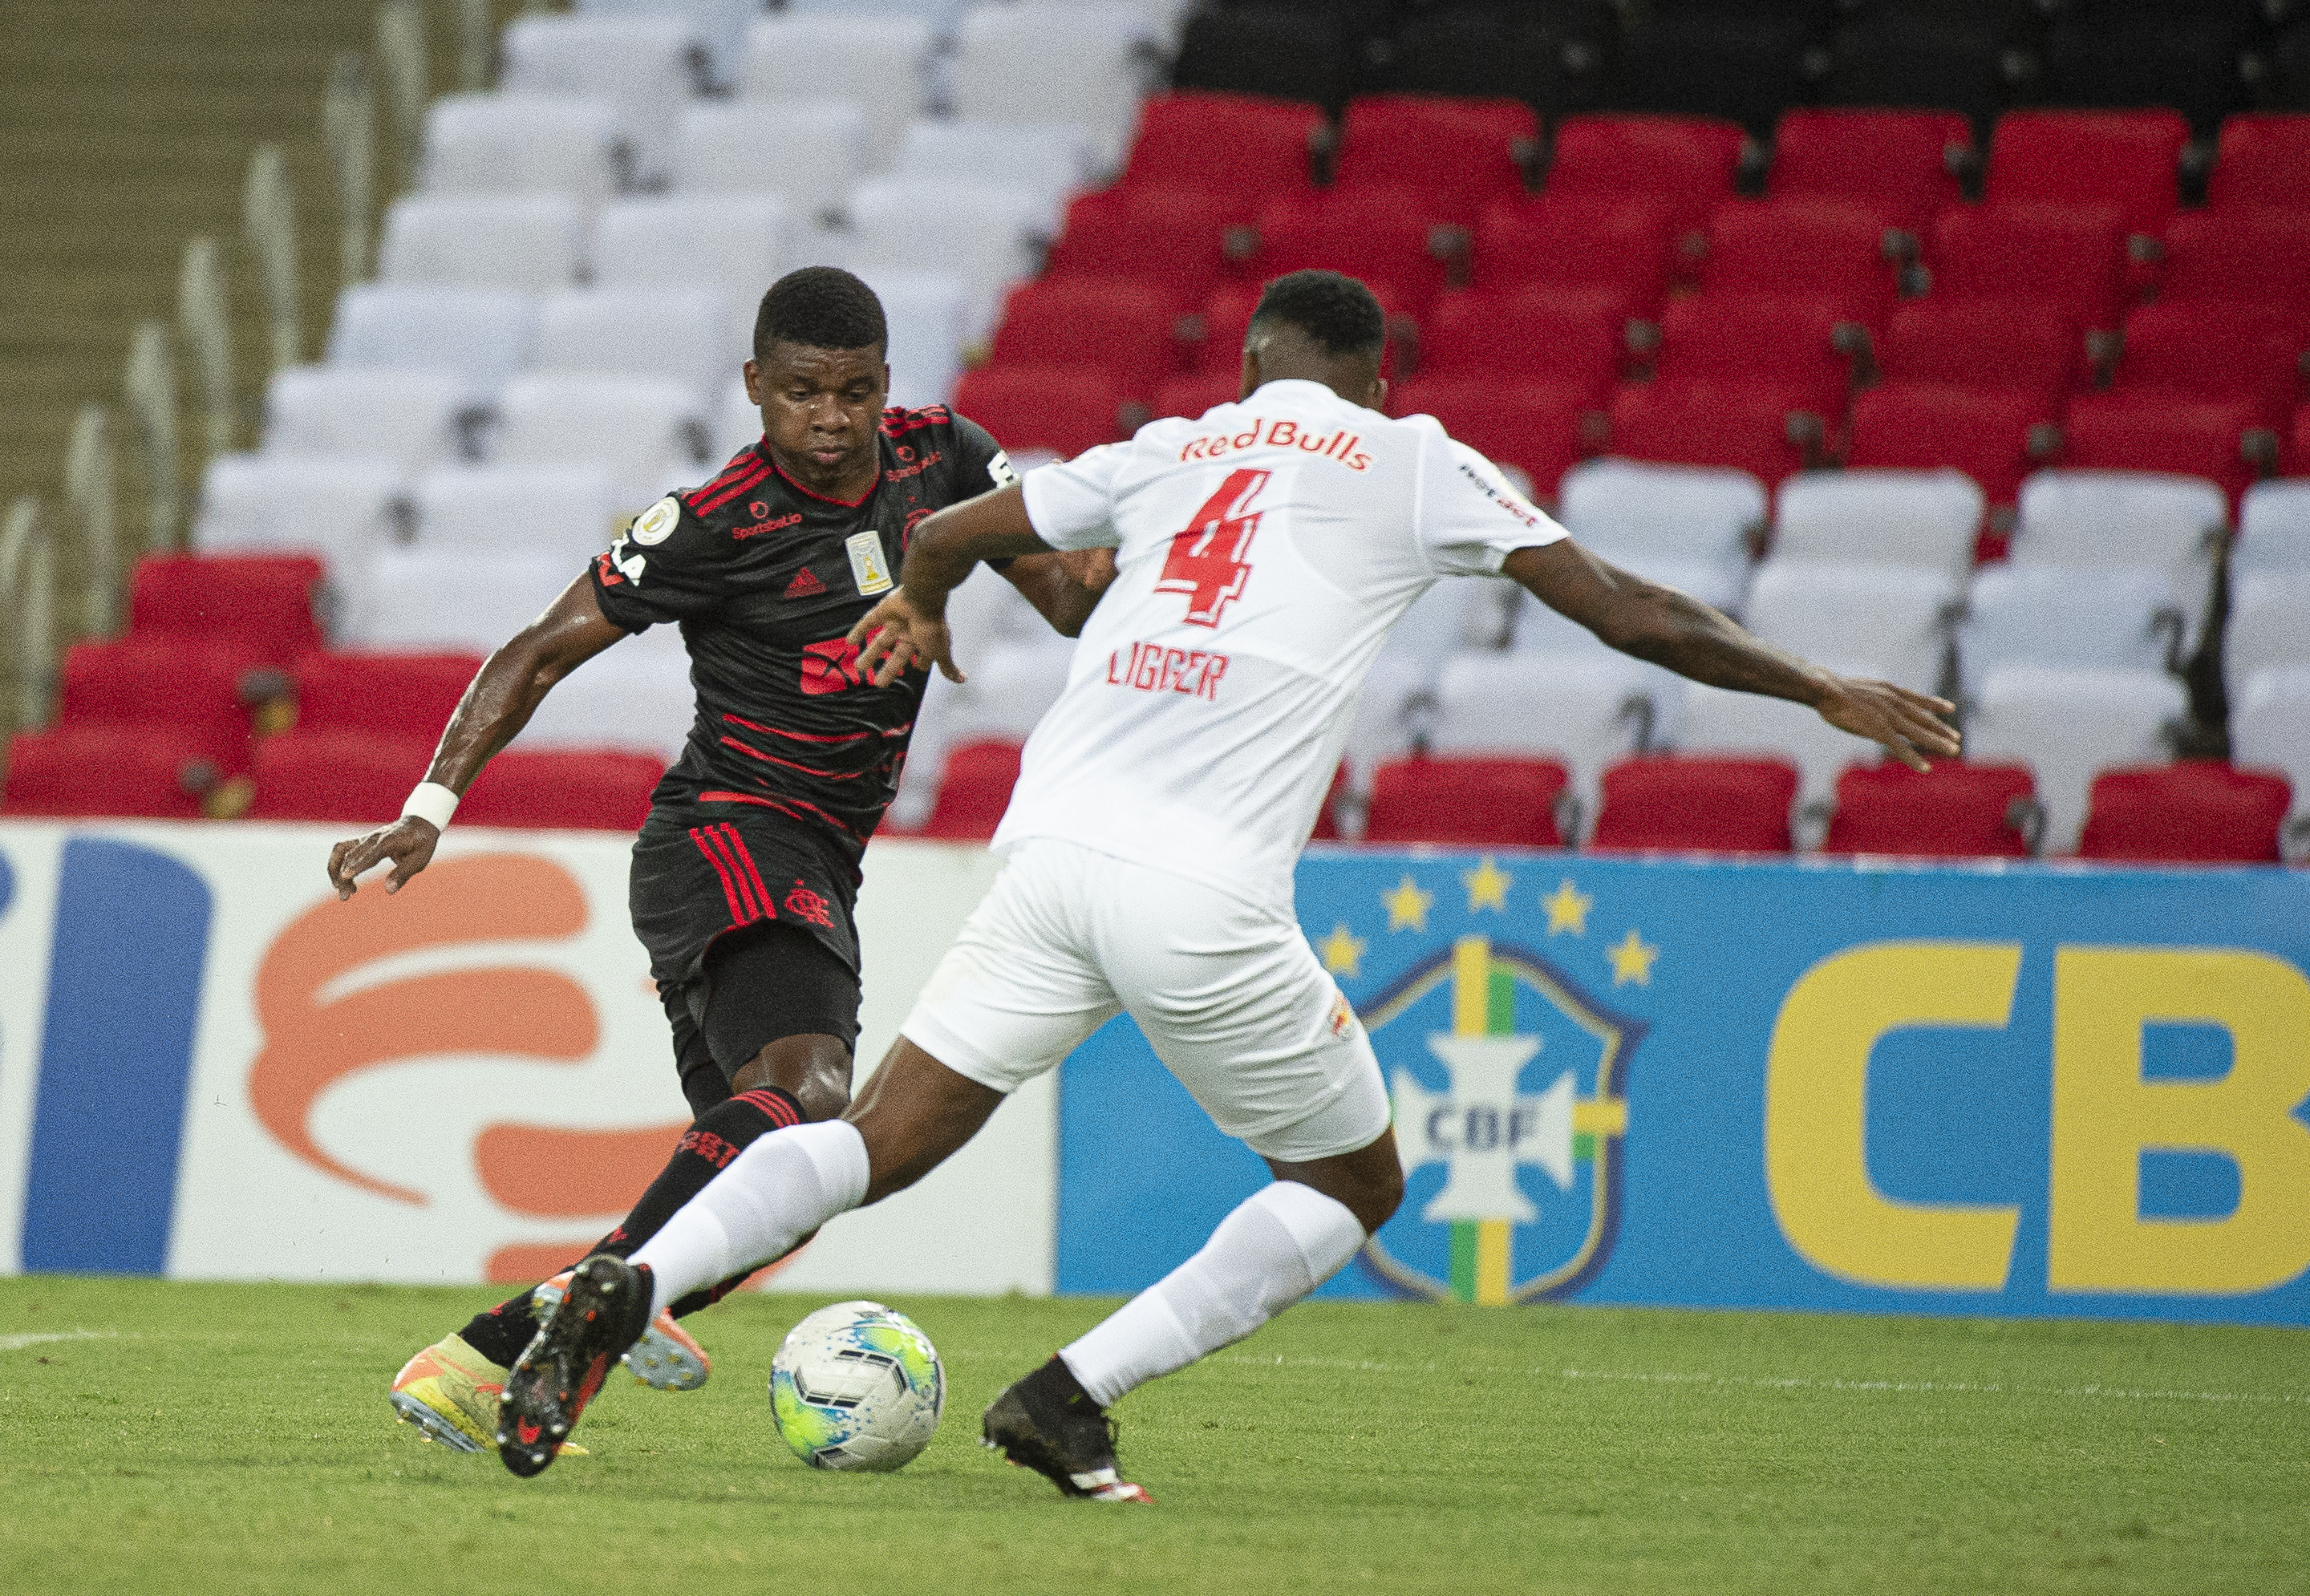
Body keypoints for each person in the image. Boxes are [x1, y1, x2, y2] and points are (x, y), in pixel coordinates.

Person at [492, 269, 1961, 1491]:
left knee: (878, 1139)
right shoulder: (1416, 457)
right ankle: (1069, 1394)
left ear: (1251, 367)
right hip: (1198, 893)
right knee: (1352, 1178)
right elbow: (1627, 611)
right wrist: (1815, 682)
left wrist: (923, 604)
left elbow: (939, 528)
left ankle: (630, 1284)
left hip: (1049, 854)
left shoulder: (1173, 445)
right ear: (1372, 384)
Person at [337, 267, 1113, 1457]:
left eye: (854, 390)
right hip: (729, 831)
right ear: (754, 387)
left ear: (886, 387)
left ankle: (477, 1361)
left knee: (772, 1193)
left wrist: (1130, 571)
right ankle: (588, 1323)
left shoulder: (944, 458)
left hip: (818, 859)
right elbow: (541, 650)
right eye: (802, 391)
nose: (830, 417)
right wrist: (428, 805)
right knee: (810, 1095)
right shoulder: (717, 521)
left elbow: (1066, 597)